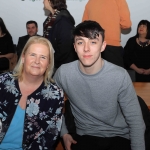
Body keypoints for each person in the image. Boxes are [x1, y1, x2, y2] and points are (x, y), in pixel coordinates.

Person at [54, 21, 145, 150]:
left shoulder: (119, 75)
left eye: (93, 42)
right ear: (74, 47)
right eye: (80, 42)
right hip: (84, 136)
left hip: (118, 135)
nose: (86, 48)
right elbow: (51, 106)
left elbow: (136, 121)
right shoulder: (63, 73)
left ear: (103, 46)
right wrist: (64, 133)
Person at [0, 36, 64, 149]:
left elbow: (50, 136)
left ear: (48, 63)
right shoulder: (2, 81)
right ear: (23, 57)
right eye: (32, 55)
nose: (37, 61)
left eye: (43, 57)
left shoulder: (55, 94)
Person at [82, 0, 131, 67]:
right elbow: (126, 24)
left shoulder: (90, 2)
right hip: (111, 46)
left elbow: (84, 26)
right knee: (116, 75)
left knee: (94, 75)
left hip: (93, 46)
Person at [43, 0, 78, 70]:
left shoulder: (63, 20)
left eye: (45, 0)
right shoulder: (50, 19)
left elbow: (64, 48)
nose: (43, 2)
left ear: (51, 1)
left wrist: (51, 61)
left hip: (62, 66)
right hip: (54, 63)